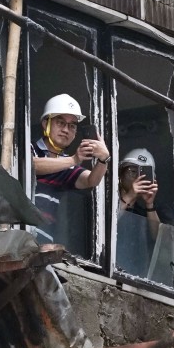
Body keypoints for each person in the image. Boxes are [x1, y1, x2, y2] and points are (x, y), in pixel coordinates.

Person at [31, 93, 110, 244]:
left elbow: (91, 181)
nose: (66, 130)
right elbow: (32, 166)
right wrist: (74, 159)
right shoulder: (29, 148)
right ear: (45, 123)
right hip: (20, 232)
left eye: (72, 126)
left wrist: (103, 159)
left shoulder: (68, 164)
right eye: (60, 123)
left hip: (43, 240)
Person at [118, 148, 160, 239]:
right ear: (121, 174)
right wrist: (130, 195)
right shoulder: (105, 202)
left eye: (143, 175)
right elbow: (105, 224)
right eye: (133, 172)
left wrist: (150, 204)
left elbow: (158, 241)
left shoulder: (141, 214)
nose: (137, 177)